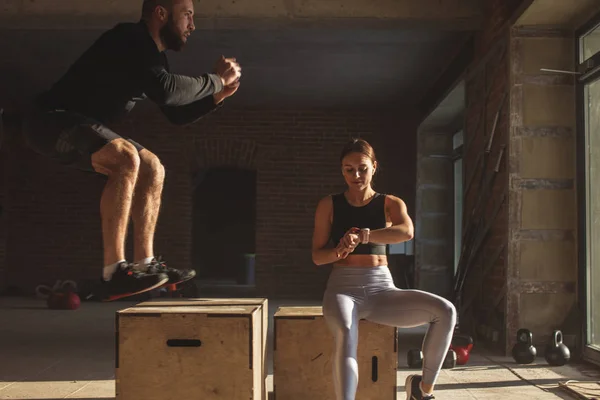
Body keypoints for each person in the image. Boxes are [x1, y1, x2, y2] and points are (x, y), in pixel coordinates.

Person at [22, 0, 242, 301]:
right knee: (125, 157)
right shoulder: (128, 38)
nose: (192, 25)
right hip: (49, 121)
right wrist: (216, 80)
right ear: (160, 13)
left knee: (152, 165)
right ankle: (114, 272)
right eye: (187, 15)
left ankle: (145, 264)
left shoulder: (154, 58)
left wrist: (217, 96)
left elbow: (175, 113)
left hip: (79, 126)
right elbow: (167, 90)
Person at [311, 138, 457, 400]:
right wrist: (339, 251)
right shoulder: (328, 205)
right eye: (348, 169)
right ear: (341, 170)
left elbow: (406, 232)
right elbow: (317, 257)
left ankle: (422, 391)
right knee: (346, 332)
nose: (356, 175)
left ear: (374, 167)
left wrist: (365, 237)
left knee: (445, 311)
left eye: (362, 168)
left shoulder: (390, 203)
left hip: (382, 289)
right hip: (343, 289)